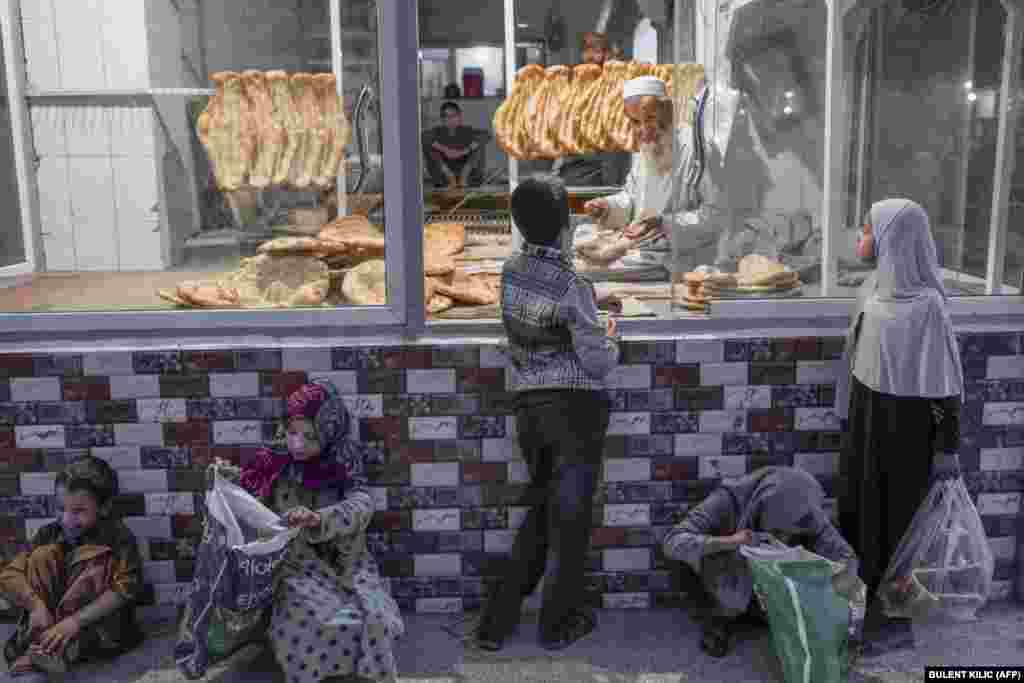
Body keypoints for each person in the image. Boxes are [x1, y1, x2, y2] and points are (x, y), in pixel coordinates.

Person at [472, 174, 619, 652]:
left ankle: (495, 623)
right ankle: (558, 623)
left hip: (530, 408)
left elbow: (538, 324)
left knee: (539, 511)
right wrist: (610, 331)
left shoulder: (511, 270)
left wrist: (592, 310)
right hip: (574, 411)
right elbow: (596, 359)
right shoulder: (574, 283)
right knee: (571, 521)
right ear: (567, 227)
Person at [835, 198, 963, 639]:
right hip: (865, 417)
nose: (861, 238)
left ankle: (891, 612)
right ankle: (859, 603)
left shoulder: (929, 306)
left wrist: (948, 445)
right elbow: (853, 357)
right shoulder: (870, 290)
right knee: (857, 504)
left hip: (908, 426)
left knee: (897, 516)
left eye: (868, 230)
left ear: (893, 239)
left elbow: (946, 381)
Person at [234, 379, 404, 683]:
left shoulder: (342, 460)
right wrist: (225, 480)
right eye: (292, 433)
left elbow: (362, 504)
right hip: (297, 566)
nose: (297, 444)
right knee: (313, 621)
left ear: (328, 432)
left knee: (376, 618)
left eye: (310, 436)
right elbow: (247, 503)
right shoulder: (273, 461)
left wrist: (319, 518)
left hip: (349, 563)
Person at [662, 466, 857, 658]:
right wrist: (730, 542)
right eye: (778, 531)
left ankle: (766, 612)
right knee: (717, 577)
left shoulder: (806, 510)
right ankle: (720, 616)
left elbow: (845, 555)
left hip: (770, 583)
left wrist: (839, 594)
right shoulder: (725, 500)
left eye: (791, 531)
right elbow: (672, 542)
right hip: (728, 573)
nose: (784, 537)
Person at [0, 456, 144, 683]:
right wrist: (35, 604)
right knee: (41, 555)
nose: (67, 520)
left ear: (104, 507)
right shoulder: (49, 533)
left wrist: (74, 622)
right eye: (61, 508)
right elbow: (10, 573)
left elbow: (124, 589)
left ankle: (52, 653)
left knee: (96, 564)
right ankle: (43, 648)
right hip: (51, 621)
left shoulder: (118, 538)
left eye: (78, 511)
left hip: (96, 625)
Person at [575, 75, 714, 276]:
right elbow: (631, 199)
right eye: (635, 122)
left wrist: (664, 223)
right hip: (643, 252)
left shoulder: (696, 148)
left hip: (682, 261)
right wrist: (607, 207)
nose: (644, 130)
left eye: (650, 119)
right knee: (583, 241)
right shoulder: (645, 150)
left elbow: (714, 216)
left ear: (668, 112)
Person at [552, 32, 630, 187]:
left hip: (602, 173)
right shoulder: (573, 86)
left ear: (607, 55)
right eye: (586, 50)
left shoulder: (615, 87)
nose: (590, 56)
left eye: (596, 51)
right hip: (574, 171)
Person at [422, 101, 487, 188]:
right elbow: (423, 136)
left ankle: (463, 178)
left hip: (467, 177)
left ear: (459, 116)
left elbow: (486, 135)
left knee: (479, 144)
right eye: (446, 116)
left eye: (453, 116)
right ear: (442, 119)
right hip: (444, 177)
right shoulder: (437, 131)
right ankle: (450, 177)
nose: (450, 119)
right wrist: (446, 150)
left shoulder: (467, 130)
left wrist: (463, 152)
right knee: (428, 145)